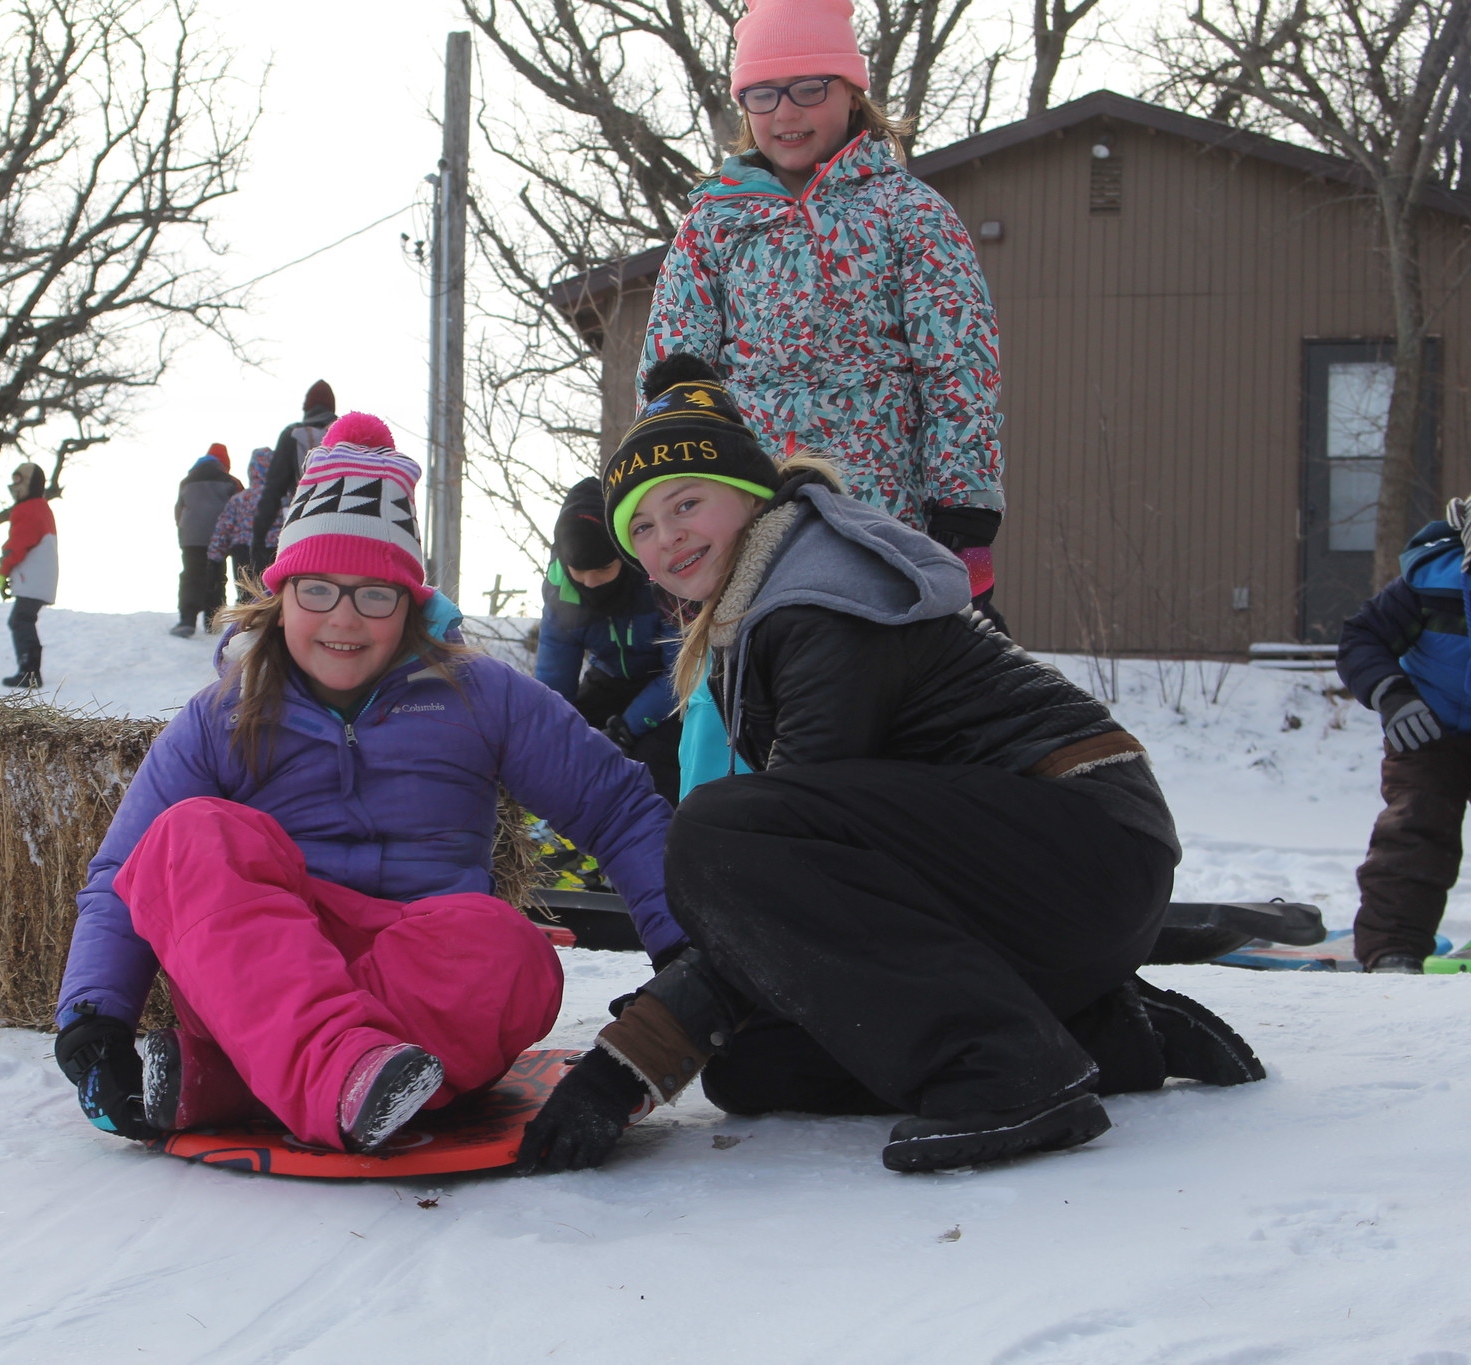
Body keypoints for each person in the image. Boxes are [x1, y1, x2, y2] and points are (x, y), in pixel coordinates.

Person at [517, 355, 1262, 1176]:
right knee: (755, 1063)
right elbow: (807, 904)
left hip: (1081, 835)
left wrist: (622, 1066)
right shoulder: (757, 608)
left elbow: (777, 869)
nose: (668, 539)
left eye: (686, 503)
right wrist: (677, 1040)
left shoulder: (815, 606)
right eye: (643, 530)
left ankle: (1015, 1075)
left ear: (751, 491)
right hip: (1019, 881)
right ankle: (1108, 1036)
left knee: (717, 832)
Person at [52, 413, 677, 1155]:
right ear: (280, 593)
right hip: (264, 970)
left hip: (424, 977)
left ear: (410, 602)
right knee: (188, 834)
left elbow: (618, 805)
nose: (343, 619)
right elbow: (125, 871)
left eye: (375, 594)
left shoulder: (478, 694)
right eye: (317, 589)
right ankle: (342, 1072)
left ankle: (243, 1078)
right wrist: (93, 1018)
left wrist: (681, 961)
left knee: (512, 951)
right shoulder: (225, 713)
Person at [636, 0, 1005, 620]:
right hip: (757, 514)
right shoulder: (715, 222)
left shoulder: (906, 211)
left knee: (881, 688)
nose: (785, 111)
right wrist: (670, 499)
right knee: (770, 690)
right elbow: (675, 372)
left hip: (883, 511)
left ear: (852, 91)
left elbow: (958, 364)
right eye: (762, 95)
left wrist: (964, 508)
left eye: (809, 89)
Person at [1336, 507, 1471, 973]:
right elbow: (1362, 639)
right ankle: (1392, 948)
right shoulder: (1432, 579)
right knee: (1415, 829)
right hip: (1428, 727)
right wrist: (1392, 695)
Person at [535, 477, 684, 803]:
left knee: (651, 760)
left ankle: (662, 838)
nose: (591, 582)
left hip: (670, 690)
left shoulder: (659, 581)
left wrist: (627, 727)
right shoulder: (563, 595)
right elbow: (553, 683)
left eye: (603, 568)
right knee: (568, 750)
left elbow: (681, 672)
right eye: (578, 570)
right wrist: (553, 739)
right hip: (610, 679)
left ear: (623, 553)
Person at [250, 380, 337, 575]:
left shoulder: (293, 434)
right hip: (342, 523)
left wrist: (258, 537)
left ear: (307, 407)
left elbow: (274, 487)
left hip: (302, 521)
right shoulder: (346, 434)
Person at [0, 461, 57, 689]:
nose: (14, 486)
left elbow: (17, 545)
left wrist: (3, 570)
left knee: (20, 620)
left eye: (18, 480)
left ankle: (29, 671)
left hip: (33, 579)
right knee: (23, 619)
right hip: (38, 578)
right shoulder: (40, 507)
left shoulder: (29, 509)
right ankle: (30, 669)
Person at [172, 444, 240, 638]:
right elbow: (237, 508)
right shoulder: (231, 481)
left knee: (191, 576)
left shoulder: (187, 481)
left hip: (191, 537)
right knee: (216, 577)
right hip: (219, 537)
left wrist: (183, 530)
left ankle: (187, 620)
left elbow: (179, 510)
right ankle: (213, 622)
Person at [207, 446, 277, 605]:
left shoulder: (240, 499)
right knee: (274, 595)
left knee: (247, 595)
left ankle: (246, 626)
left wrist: (215, 556)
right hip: (276, 551)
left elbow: (223, 528)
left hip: (244, 552)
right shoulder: (284, 498)